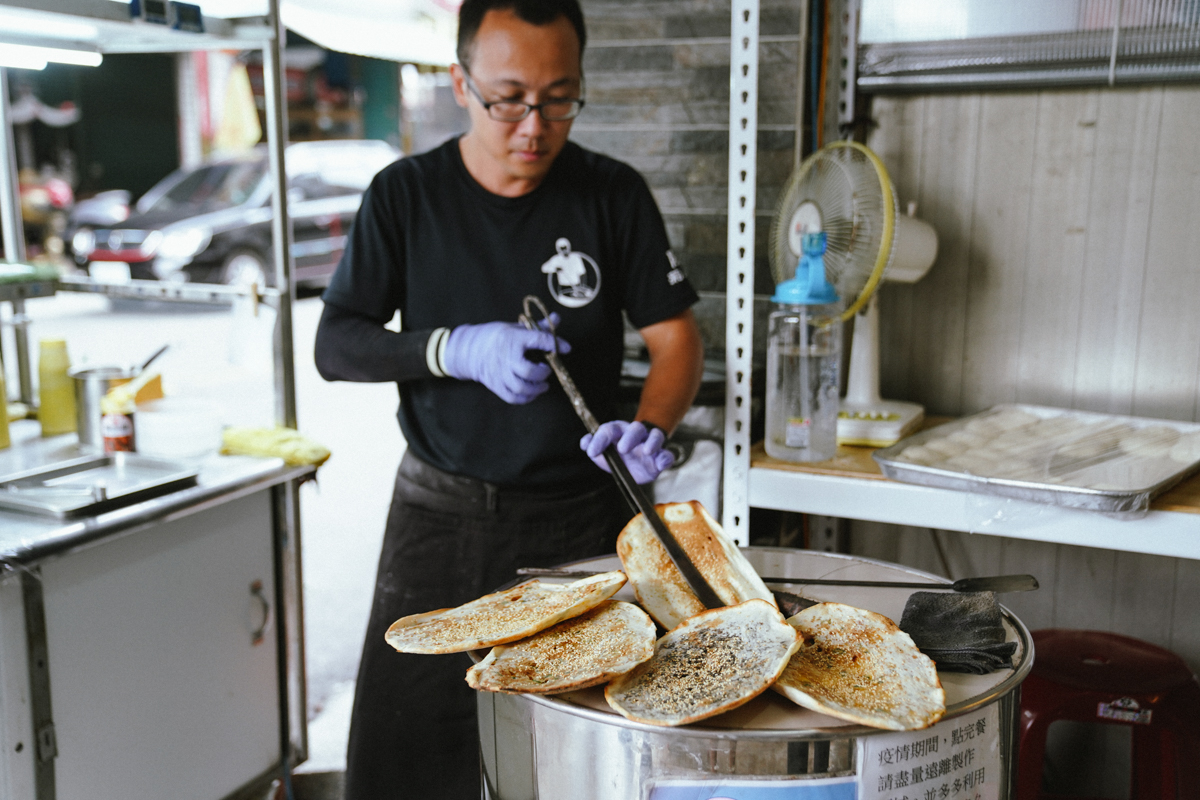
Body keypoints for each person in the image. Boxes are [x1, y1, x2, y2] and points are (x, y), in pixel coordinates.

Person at [314, 0, 704, 796]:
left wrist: (649, 426)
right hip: (441, 517)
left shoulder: (611, 194)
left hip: (584, 520)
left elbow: (676, 339)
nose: (534, 124)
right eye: (509, 97)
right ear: (460, 83)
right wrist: (449, 349)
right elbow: (337, 343)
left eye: (559, 97)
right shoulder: (405, 196)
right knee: (409, 755)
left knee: (576, 754)